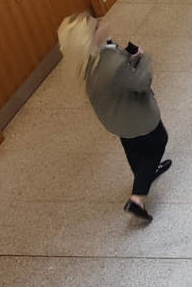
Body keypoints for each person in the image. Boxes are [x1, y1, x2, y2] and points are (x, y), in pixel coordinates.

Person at [60, 14, 170, 222]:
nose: (101, 24)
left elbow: (117, 79)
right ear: (89, 40)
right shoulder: (112, 64)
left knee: (133, 150)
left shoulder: (87, 62)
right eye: (96, 27)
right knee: (157, 143)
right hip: (138, 118)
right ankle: (137, 199)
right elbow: (141, 83)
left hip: (117, 121)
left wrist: (128, 55)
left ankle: (143, 175)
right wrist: (144, 59)